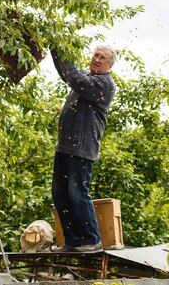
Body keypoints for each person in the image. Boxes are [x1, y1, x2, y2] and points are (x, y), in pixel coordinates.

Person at [50, 45, 117, 252]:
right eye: (96, 55)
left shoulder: (103, 84)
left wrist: (61, 48)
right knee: (60, 194)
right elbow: (67, 74)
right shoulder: (85, 78)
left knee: (78, 193)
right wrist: (55, 49)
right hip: (65, 147)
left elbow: (75, 78)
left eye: (103, 58)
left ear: (110, 65)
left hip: (82, 149)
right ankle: (72, 241)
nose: (97, 59)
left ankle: (91, 240)